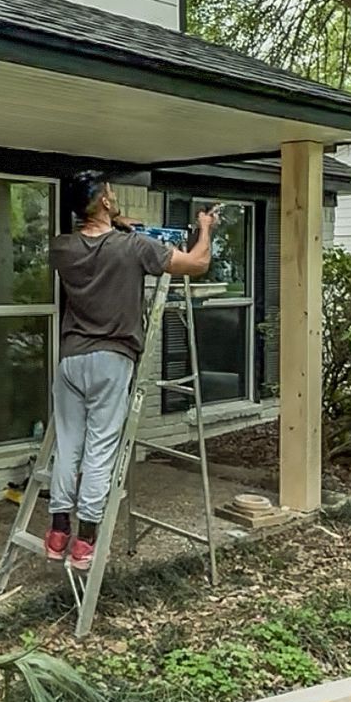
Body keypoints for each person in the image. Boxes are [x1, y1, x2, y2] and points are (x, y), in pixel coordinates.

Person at [46, 173, 217, 572]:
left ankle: (57, 532)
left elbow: (93, 243)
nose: (115, 195)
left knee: (69, 445)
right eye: (111, 193)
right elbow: (197, 263)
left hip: (70, 358)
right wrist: (204, 230)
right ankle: (85, 540)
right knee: (101, 448)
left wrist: (118, 228)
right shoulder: (135, 247)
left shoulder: (62, 248)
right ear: (105, 201)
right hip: (111, 358)